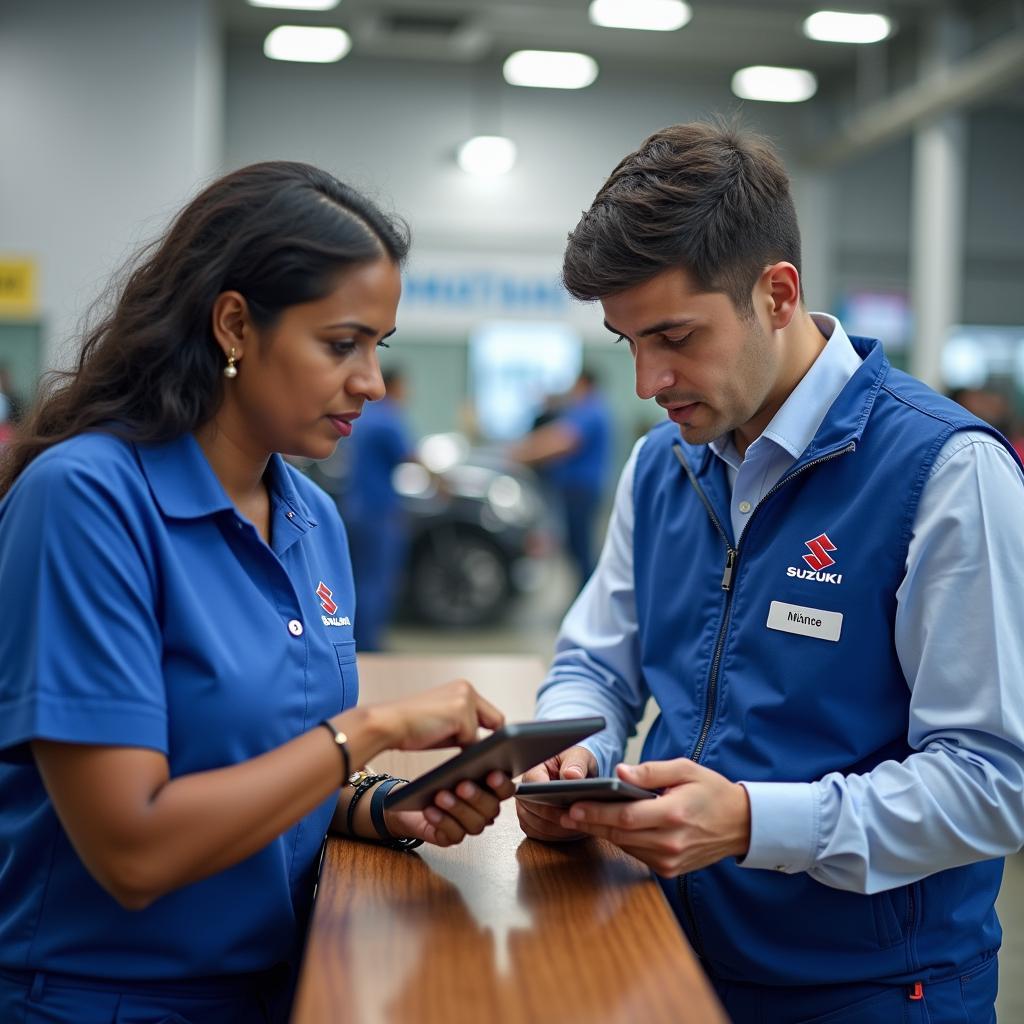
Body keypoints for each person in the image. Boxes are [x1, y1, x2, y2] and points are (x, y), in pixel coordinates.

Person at [515, 121, 1024, 1023]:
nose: (647, 380)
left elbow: (992, 783)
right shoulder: (663, 464)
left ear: (777, 292)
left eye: (673, 335)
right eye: (627, 341)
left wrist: (755, 821)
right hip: (667, 951)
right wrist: (572, 753)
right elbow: (599, 663)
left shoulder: (944, 473)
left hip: (869, 991)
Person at [0, 161, 516, 1024]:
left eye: (377, 348)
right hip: (103, 998)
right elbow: (133, 846)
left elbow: (253, 768)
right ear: (235, 324)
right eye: (341, 343)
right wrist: (370, 731)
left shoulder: (310, 515)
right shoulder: (86, 503)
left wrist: (384, 807)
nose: (373, 383)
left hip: (284, 982)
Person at [509, 368, 612, 589]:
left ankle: (587, 596)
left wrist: (522, 454)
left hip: (580, 490)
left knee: (580, 548)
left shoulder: (590, 410)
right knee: (576, 547)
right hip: (577, 490)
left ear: (583, 383)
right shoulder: (587, 409)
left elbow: (562, 440)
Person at [341, 366, 415, 650]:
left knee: (358, 578)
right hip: (379, 511)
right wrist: (443, 482)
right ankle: (369, 645)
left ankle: (354, 640)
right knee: (378, 580)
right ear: (394, 386)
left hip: (355, 507)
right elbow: (410, 456)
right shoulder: (389, 419)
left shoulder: (364, 418)